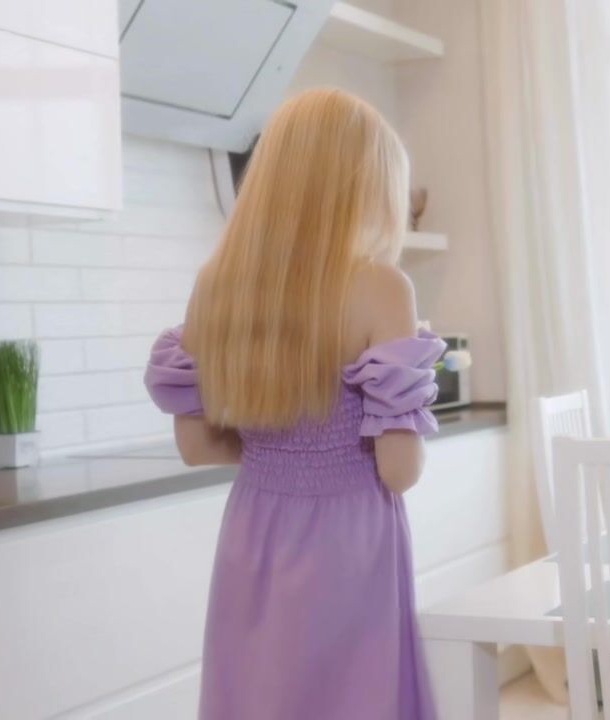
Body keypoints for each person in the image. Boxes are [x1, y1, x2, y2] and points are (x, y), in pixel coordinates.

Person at [144, 87, 440, 719]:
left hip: (253, 531)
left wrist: (281, 456)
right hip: (348, 540)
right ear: (362, 186)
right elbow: (399, 470)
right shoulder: (380, 286)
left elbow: (196, 447)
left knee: (260, 696)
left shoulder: (215, 287)